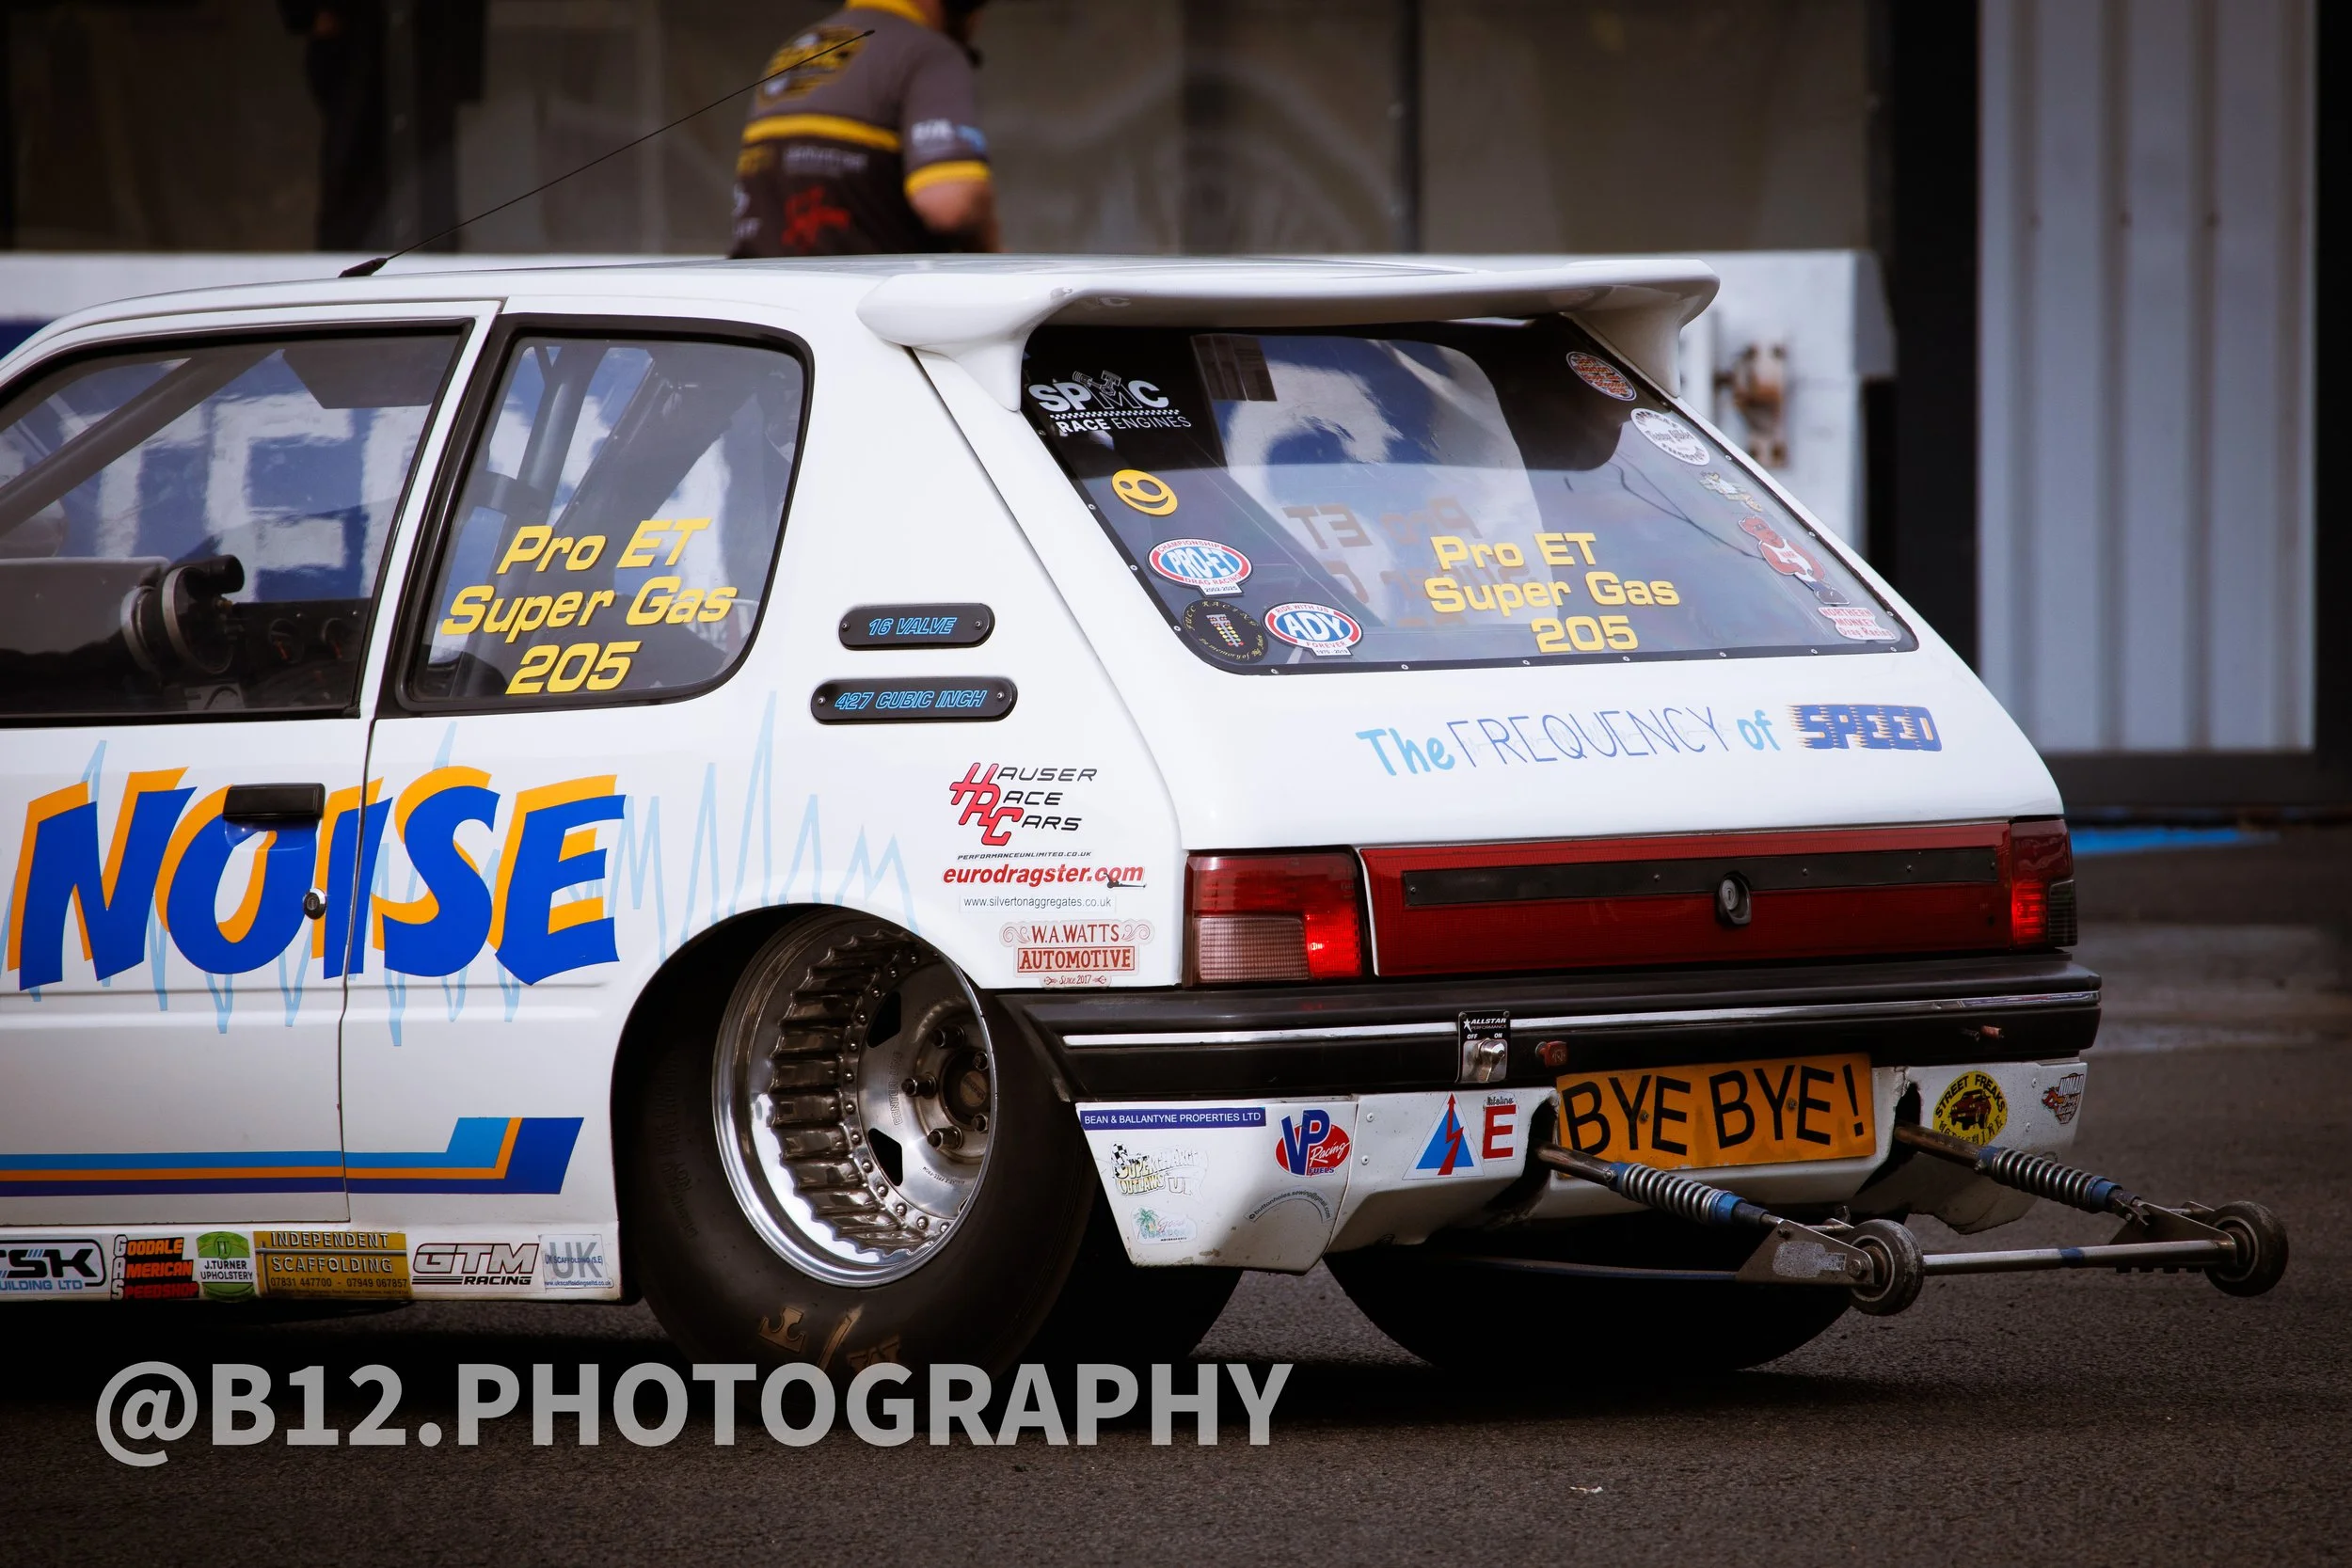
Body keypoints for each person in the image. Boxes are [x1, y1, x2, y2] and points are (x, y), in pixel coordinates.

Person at [727, 0, 998, 258]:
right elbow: (950, 203)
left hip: (755, 287)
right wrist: (992, 254)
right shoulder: (928, 52)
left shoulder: (793, 52)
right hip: (861, 289)